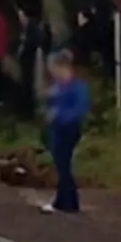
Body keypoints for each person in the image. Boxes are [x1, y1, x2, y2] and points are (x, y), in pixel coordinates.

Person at [42, 50, 90, 214]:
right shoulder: (59, 86)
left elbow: (80, 109)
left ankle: (68, 202)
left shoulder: (78, 87)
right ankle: (64, 200)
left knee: (64, 165)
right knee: (60, 165)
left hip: (69, 128)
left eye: (54, 69)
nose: (52, 73)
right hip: (57, 128)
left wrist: (60, 115)